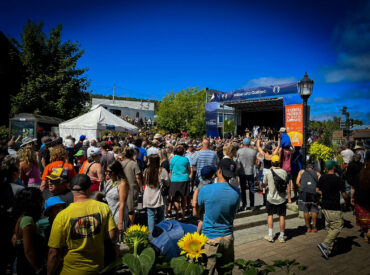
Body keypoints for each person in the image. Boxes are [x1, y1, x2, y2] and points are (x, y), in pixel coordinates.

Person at [47, 174, 118, 275]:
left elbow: (54, 253)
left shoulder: (62, 216)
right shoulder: (103, 208)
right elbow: (112, 235)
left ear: (71, 189)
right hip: (97, 269)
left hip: (70, 271)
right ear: (89, 189)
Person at [198, 158, 240, 275]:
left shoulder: (205, 190)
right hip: (228, 238)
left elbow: (199, 206)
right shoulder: (237, 192)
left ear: (219, 171)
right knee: (226, 272)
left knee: (207, 271)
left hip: (210, 238)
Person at [317, 160, 348, 259]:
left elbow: (317, 190)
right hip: (334, 206)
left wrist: (325, 194)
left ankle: (328, 249)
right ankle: (325, 244)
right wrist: (348, 200)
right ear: (333, 167)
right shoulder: (337, 179)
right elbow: (343, 194)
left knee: (330, 227)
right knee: (338, 225)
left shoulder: (322, 177)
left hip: (325, 205)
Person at [12, 188, 45, 275]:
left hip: (21, 263)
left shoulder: (21, 217)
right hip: (28, 266)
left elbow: (14, 240)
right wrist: (38, 269)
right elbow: (28, 250)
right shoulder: (28, 220)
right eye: (40, 199)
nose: (42, 202)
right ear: (33, 202)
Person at [263, 155, 288, 243]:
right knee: (282, 216)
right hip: (281, 198)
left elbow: (264, 182)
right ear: (279, 162)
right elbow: (286, 182)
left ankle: (270, 235)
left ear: (272, 162)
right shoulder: (284, 172)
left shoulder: (268, 172)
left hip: (271, 197)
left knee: (270, 215)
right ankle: (281, 236)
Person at [143, 155, 169, 233]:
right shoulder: (162, 170)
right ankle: (161, 232)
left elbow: (145, 182)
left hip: (148, 194)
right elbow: (167, 183)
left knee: (150, 215)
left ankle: (151, 235)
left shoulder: (146, 171)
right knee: (160, 215)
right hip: (158, 195)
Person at [104, 160, 129, 233]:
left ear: (116, 172)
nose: (107, 173)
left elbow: (122, 204)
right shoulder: (108, 181)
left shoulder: (122, 184)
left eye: (110, 172)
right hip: (108, 213)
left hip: (117, 214)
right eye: (106, 171)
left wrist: (120, 222)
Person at [296, 160, 321, 232]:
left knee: (306, 210)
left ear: (306, 168)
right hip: (313, 193)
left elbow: (297, 182)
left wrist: (301, 188)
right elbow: (320, 184)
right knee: (314, 210)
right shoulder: (317, 173)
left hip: (304, 193)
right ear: (312, 168)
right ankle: (314, 227)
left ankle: (308, 228)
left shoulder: (301, 172)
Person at [120, 147, 143, 226]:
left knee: (123, 206)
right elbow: (138, 177)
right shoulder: (134, 163)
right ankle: (130, 226)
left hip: (121, 187)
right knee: (131, 209)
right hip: (131, 188)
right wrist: (141, 187)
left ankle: (123, 223)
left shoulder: (121, 163)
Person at [169, 145, 192, 221]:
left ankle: (176, 215)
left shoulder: (172, 159)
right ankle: (182, 216)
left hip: (175, 180)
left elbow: (171, 171)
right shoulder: (185, 159)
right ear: (183, 152)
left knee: (176, 198)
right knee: (184, 199)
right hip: (184, 180)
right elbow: (189, 170)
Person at [351, 152, 370, 243]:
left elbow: (353, 188)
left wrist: (352, 197)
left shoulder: (359, 174)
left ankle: (365, 234)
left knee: (363, 218)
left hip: (360, 199)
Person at [192, 165, 217, 233]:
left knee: (202, 220)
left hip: (203, 205)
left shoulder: (202, 182)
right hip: (204, 206)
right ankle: (198, 234)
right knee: (202, 220)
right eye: (214, 175)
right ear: (212, 176)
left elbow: (196, 191)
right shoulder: (207, 186)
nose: (215, 176)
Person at [236, 137, 257, 211]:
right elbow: (254, 162)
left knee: (243, 189)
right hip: (250, 171)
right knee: (251, 188)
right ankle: (252, 205)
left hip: (242, 172)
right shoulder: (253, 151)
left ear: (243, 143)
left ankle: (244, 204)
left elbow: (237, 161)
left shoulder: (239, 151)